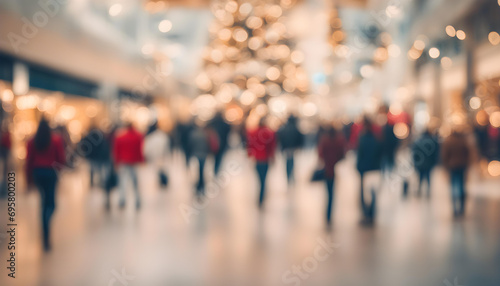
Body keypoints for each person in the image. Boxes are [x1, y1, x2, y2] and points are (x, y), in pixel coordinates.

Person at [25, 118, 65, 251]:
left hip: (38, 172)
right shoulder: (56, 140)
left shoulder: (32, 141)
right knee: (51, 203)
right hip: (51, 172)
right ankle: (46, 224)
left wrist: (28, 179)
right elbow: (61, 158)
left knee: (43, 202)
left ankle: (44, 229)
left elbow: (29, 161)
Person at [318, 125, 346, 224]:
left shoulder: (325, 141)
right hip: (333, 170)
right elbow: (342, 154)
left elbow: (320, 154)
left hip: (327, 170)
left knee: (328, 193)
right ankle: (329, 214)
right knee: (331, 194)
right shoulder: (338, 141)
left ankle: (327, 214)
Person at [356, 118, 382, 223]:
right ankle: (372, 214)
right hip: (375, 169)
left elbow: (360, 155)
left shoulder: (362, 139)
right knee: (373, 193)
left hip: (365, 170)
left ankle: (366, 214)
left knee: (364, 194)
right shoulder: (376, 140)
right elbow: (380, 155)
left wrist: (358, 167)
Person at [113, 123, 144, 209]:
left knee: (123, 181)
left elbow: (116, 150)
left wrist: (116, 162)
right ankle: (137, 199)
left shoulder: (121, 137)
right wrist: (141, 160)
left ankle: (122, 199)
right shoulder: (138, 136)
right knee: (135, 182)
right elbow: (139, 150)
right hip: (133, 162)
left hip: (123, 161)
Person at [247, 118, 276, 208]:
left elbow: (250, 145)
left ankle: (260, 197)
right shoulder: (269, 133)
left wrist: (250, 154)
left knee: (260, 179)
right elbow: (272, 146)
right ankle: (261, 197)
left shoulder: (253, 132)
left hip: (257, 159)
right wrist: (272, 157)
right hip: (265, 159)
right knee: (263, 180)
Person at [441, 130, 471, 216]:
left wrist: (446, 165)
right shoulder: (463, 141)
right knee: (461, 186)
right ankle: (462, 207)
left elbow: (444, 155)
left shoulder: (448, 141)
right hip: (462, 166)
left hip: (452, 166)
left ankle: (454, 208)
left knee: (453, 186)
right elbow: (468, 153)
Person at [412, 128, 439, 197]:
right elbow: (434, 154)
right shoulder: (431, 142)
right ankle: (428, 191)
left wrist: (415, 163)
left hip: (420, 164)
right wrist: (434, 163)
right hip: (429, 164)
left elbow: (415, 154)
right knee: (428, 178)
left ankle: (419, 190)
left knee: (420, 178)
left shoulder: (418, 141)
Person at [188, 122, 212, 196]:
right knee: (202, 169)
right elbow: (209, 145)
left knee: (199, 169)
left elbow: (190, 144)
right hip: (204, 154)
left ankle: (199, 184)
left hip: (196, 153)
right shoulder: (206, 134)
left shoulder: (193, 134)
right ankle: (201, 184)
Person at [277, 115, 303, 184]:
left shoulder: (285, 128)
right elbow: (300, 138)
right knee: (291, 162)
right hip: (292, 149)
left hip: (287, 149)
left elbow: (281, 138)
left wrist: (282, 148)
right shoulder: (295, 128)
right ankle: (291, 175)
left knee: (288, 163)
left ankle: (289, 176)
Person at [144, 121, 170, 190]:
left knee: (158, 170)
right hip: (162, 156)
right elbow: (166, 146)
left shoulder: (150, 138)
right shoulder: (163, 136)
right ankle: (162, 181)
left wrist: (147, 157)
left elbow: (146, 149)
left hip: (155, 157)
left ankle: (162, 181)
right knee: (162, 169)